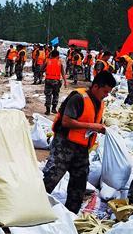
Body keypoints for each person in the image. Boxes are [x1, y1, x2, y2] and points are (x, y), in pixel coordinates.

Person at [42, 71, 116, 213]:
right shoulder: (78, 98)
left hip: (81, 149)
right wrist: (92, 126)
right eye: (105, 91)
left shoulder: (99, 103)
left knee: (79, 184)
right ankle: (31, 209)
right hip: (64, 146)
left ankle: (70, 215)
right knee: (51, 179)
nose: (106, 95)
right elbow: (66, 121)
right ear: (95, 87)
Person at [43, 50, 67, 115]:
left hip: (48, 80)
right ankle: (54, 109)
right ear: (57, 55)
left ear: (51, 55)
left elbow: (42, 69)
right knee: (55, 95)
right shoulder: (60, 63)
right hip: (56, 81)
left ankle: (47, 110)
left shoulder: (47, 61)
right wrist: (65, 81)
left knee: (48, 95)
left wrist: (45, 70)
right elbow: (63, 73)